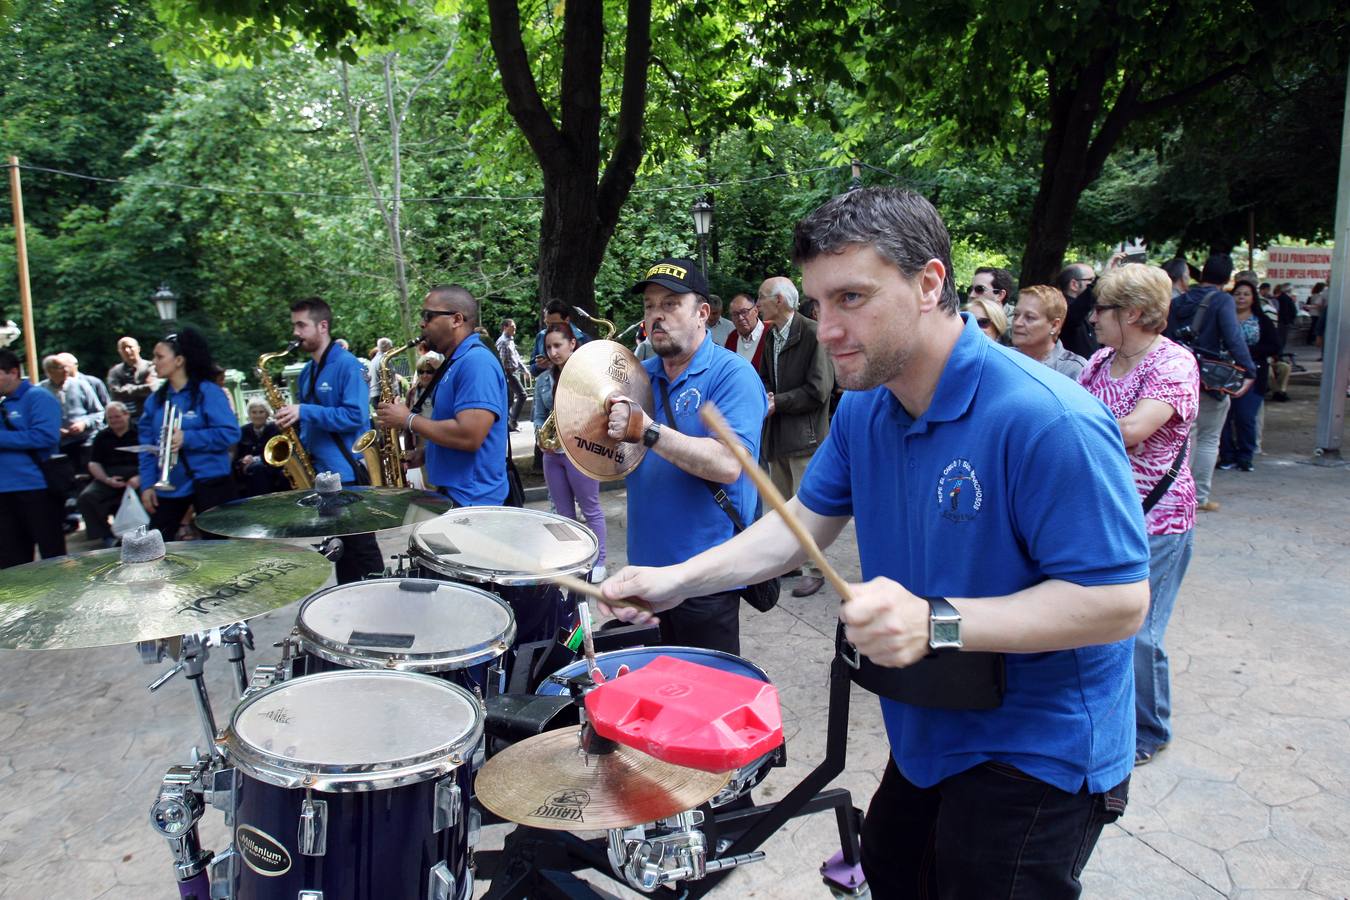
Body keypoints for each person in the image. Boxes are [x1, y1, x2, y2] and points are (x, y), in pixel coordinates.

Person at [601, 189, 1149, 898]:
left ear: (928, 284)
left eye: (851, 298)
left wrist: (937, 622)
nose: (826, 328)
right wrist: (679, 579)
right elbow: (796, 527)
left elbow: (1117, 601)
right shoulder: (866, 406)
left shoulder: (1048, 421)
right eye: (818, 302)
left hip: (1037, 753)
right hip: (927, 732)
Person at [605, 256, 767, 654]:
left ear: (703, 314)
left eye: (671, 304)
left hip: (707, 578)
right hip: (645, 573)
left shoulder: (733, 374)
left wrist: (647, 430)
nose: (656, 316)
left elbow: (730, 465)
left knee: (709, 703)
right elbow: (615, 461)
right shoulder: (639, 376)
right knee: (655, 703)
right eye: (649, 306)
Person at [1079, 264, 1199, 767]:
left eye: (1101, 309)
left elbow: (1134, 428)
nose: (1092, 318)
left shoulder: (1172, 363)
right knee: (1101, 625)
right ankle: (1109, 714)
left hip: (1158, 521)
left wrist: (1069, 425)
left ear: (1131, 312)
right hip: (1104, 515)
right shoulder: (1102, 361)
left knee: (1141, 630)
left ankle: (1150, 728)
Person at [274, 297, 385, 582]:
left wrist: (304, 411)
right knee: (340, 549)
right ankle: (348, 605)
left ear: (323, 326)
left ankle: (385, 600)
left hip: (347, 472)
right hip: (322, 473)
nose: (295, 332)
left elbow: (354, 415)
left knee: (362, 548)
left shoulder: (349, 366)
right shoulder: (308, 371)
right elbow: (313, 420)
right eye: (294, 325)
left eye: (301, 325)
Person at [374, 285, 509, 507]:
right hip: (459, 495)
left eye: (428, 316)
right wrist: (428, 453)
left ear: (456, 319)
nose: (422, 323)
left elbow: (470, 436)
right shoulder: (456, 361)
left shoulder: (476, 362)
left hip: (473, 502)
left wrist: (408, 420)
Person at [757, 275, 834, 598]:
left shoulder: (813, 334)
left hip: (805, 439)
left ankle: (815, 570)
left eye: (761, 297)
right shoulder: (772, 336)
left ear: (780, 301)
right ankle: (790, 563)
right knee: (782, 510)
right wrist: (763, 395)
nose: (756, 303)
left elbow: (820, 389)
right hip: (778, 437)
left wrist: (779, 402)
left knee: (810, 511)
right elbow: (763, 376)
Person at [1165, 254, 1257, 512]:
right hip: (1209, 380)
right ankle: (1198, 496)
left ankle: (1174, 493)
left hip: (1179, 375)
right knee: (1208, 437)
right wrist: (1249, 370)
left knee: (1186, 435)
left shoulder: (1179, 300)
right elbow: (1233, 337)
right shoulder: (1222, 300)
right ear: (1228, 278)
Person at [137, 329, 238, 539]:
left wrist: (187, 438)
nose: (153, 362)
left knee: (220, 546)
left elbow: (230, 433)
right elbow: (146, 447)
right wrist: (147, 484)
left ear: (179, 360)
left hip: (211, 481)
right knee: (153, 540)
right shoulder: (155, 401)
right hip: (171, 484)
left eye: (159, 356)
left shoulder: (208, 392)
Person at [533, 324, 609, 581]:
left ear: (572, 344)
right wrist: (539, 437)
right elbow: (539, 415)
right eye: (549, 347)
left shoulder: (586, 376)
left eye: (558, 345)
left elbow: (599, 413)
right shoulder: (544, 379)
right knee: (563, 514)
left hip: (580, 452)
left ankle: (599, 561)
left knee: (591, 509)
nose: (553, 352)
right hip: (552, 453)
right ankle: (573, 558)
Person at [0, 348, 66, 566]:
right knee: (11, 559)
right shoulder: (4, 402)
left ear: (13, 372)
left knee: (52, 554)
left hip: (36, 488)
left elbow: (45, 436)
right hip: (5, 491)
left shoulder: (37, 397)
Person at [1218, 279, 1280, 472]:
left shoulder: (1262, 320)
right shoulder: (1222, 317)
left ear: (1253, 298)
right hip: (1225, 373)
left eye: (1246, 294)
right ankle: (1227, 455)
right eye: (1238, 294)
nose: (1242, 298)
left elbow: (1274, 346)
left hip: (1253, 374)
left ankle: (1245, 455)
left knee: (1245, 416)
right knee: (1224, 417)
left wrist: (1246, 351)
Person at [78, 401, 142, 548]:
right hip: (109, 477)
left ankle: (143, 534)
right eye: (110, 418)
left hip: (137, 476)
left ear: (126, 415)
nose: (114, 420)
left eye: (117, 417)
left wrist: (140, 477)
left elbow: (152, 458)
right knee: (86, 497)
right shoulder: (102, 436)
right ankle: (106, 536)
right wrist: (107, 480)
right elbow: (93, 463)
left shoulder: (140, 432)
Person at [40, 353, 104, 472]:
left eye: (66, 366)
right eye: (61, 367)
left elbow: (99, 412)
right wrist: (53, 429)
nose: (66, 370)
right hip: (56, 445)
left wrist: (84, 423)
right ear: (49, 371)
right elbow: (36, 419)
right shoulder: (40, 391)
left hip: (85, 441)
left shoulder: (81, 385)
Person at [1011, 284, 1088, 379]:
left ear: (1055, 325)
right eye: (1015, 315)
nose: (1017, 323)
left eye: (1030, 317)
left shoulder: (1074, 369)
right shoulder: (1003, 357)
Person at [233, 399, 286, 497]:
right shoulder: (243, 431)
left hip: (271, 468)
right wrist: (243, 460)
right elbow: (238, 455)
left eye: (261, 412)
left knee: (259, 469)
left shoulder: (275, 429)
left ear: (267, 414)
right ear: (249, 414)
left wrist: (255, 459)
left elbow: (278, 454)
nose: (257, 415)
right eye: (254, 412)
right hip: (247, 471)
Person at [530, 300, 590, 377]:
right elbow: (532, 370)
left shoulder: (583, 339)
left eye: (554, 324)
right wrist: (539, 366)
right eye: (547, 323)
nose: (550, 328)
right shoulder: (541, 336)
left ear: (567, 320)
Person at [107, 336, 157, 420]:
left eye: (130, 347)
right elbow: (115, 392)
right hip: (125, 419)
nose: (127, 350)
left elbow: (152, 388)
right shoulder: (115, 371)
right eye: (123, 348)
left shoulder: (151, 367)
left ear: (138, 348)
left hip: (149, 414)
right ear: (119, 351)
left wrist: (128, 388)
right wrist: (141, 388)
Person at [1057, 261, 1099, 358]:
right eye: (1092, 281)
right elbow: (1076, 312)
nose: (1096, 286)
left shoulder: (1083, 310)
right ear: (1074, 284)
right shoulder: (1063, 309)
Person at [496, 318, 527, 432]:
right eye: (512, 326)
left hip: (513, 372)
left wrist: (524, 370)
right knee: (522, 395)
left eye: (514, 326)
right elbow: (500, 360)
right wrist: (504, 377)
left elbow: (516, 357)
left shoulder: (510, 340)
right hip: (508, 373)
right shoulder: (503, 341)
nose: (515, 328)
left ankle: (509, 424)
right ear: (505, 327)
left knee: (510, 399)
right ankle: (512, 421)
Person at [725, 292, 767, 369]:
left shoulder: (770, 333)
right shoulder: (732, 338)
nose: (740, 317)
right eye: (735, 314)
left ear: (755, 311)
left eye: (744, 312)